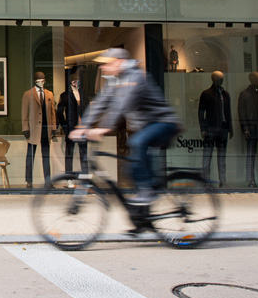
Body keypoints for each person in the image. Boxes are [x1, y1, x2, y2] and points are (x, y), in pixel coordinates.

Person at [71, 48, 183, 205]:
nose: (103, 67)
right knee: (130, 168)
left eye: (107, 64)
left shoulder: (135, 77)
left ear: (119, 62)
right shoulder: (115, 80)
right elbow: (100, 102)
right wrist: (83, 126)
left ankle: (147, 192)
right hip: (146, 126)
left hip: (163, 122)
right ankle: (141, 216)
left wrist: (103, 128)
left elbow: (121, 105)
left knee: (137, 143)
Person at [21, 72, 56, 189]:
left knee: (46, 155)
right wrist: (25, 128)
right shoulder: (27, 94)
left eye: (43, 81)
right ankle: (29, 181)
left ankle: (48, 181)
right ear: (35, 81)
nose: (41, 83)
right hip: (33, 130)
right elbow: (24, 113)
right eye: (39, 81)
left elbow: (53, 113)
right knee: (30, 156)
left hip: (46, 129)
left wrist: (54, 127)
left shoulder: (49, 94)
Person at [198, 71, 233, 187]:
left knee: (222, 157)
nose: (220, 81)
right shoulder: (206, 94)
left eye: (222, 79)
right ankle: (206, 181)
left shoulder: (225, 94)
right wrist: (203, 128)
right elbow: (201, 113)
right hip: (210, 129)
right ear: (213, 80)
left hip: (223, 129)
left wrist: (230, 128)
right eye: (218, 79)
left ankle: (222, 180)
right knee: (207, 156)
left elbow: (228, 112)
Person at [57, 68, 86, 186]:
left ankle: (85, 178)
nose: (76, 84)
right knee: (69, 154)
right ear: (70, 83)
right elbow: (59, 112)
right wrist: (64, 126)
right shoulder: (64, 95)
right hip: (71, 128)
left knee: (84, 154)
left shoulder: (83, 94)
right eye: (74, 82)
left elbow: (87, 110)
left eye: (78, 81)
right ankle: (69, 178)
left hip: (82, 128)